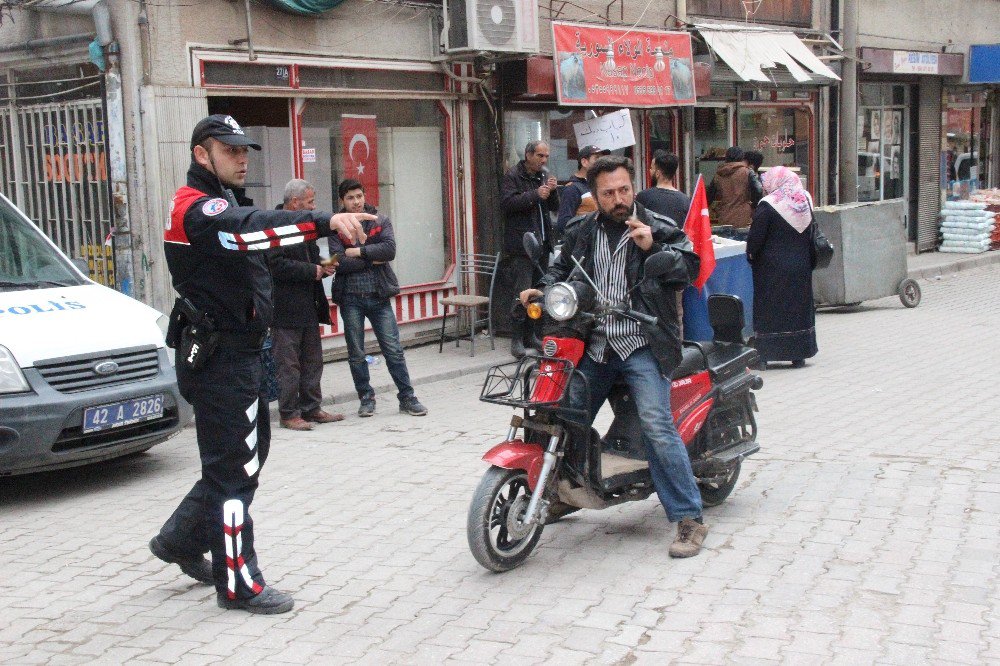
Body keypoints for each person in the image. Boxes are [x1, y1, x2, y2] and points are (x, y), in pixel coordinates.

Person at [151, 115, 374, 614]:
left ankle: (181, 540)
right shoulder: (200, 209)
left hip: (241, 352)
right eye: (229, 150)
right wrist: (322, 221)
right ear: (200, 155)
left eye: (244, 149)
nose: (241, 157)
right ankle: (238, 583)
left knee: (245, 458)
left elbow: (251, 236)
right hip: (222, 358)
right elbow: (250, 232)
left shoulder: (220, 203)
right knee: (234, 473)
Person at [519, 155, 709, 558]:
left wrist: (654, 246)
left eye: (624, 189)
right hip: (596, 345)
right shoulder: (580, 230)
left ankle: (689, 518)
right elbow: (559, 272)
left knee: (657, 426)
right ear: (595, 195)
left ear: (633, 186)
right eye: (608, 193)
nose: (618, 198)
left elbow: (689, 268)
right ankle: (561, 494)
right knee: (563, 416)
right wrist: (541, 290)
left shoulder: (658, 226)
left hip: (643, 343)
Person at [329, 179, 428, 418]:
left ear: (365, 196)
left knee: (393, 349)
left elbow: (390, 251)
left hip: (378, 296)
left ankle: (407, 397)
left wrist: (358, 251)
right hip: (350, 298)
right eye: (350, 198)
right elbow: (336, 261)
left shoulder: (380, 221)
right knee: (356, 352)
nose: (356, 202)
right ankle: (366, 398)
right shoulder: (335, 226)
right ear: (342, 201)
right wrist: (371, 258)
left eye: (359, 196)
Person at [267, 179, 344, 431]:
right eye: (310, 202)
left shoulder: (305, 225)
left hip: (309, 306)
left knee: (313, 361)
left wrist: (327, 263)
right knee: (288, 365)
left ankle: (312, 408)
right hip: (284, 309)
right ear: (295, 202)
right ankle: (289, 413)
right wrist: (313, 270)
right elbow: (276, 266)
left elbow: (313, 256)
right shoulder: (273, 226)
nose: (314, 206)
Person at [746, 165, 819, 369]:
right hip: (801, 266)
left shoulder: (769, 205)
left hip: (771, 270)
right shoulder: (803, 200)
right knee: (798, 308)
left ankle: (767, 353)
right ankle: (798, 353)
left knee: (771, 309)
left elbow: (756, 239)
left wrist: (751, 254)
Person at [500, 140, 559, 358]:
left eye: (546, 157)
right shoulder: (513, 176)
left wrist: (552, 192)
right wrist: (535, 195)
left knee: (538, 293)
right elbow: (507, 204)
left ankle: (532, 335)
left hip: (542, 244)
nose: (543, 161)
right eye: (540, 156)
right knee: (522, 294)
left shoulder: (542, 176)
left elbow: (554, 207)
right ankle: (516, 339)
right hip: (522, 247)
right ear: (528, 155)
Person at [556, 144, 609, 234]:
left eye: (602, 159)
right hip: (584, 245)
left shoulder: (598, 185)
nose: (601, 163)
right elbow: (563, 225)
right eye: (597, 158)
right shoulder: (572, 188)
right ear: (584, 162)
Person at [707, 146, 754, 237]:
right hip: (743, 218)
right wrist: (753, 206)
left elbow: (709, 197)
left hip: (724, 217)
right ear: (741, 157)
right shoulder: (746, 172)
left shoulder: (719, 174)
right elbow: (758, 190)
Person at [637, 149, 690, 224]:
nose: (650, 171)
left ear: (658, 173)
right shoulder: (685, 200)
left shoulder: (643, 196)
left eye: (652, 168)